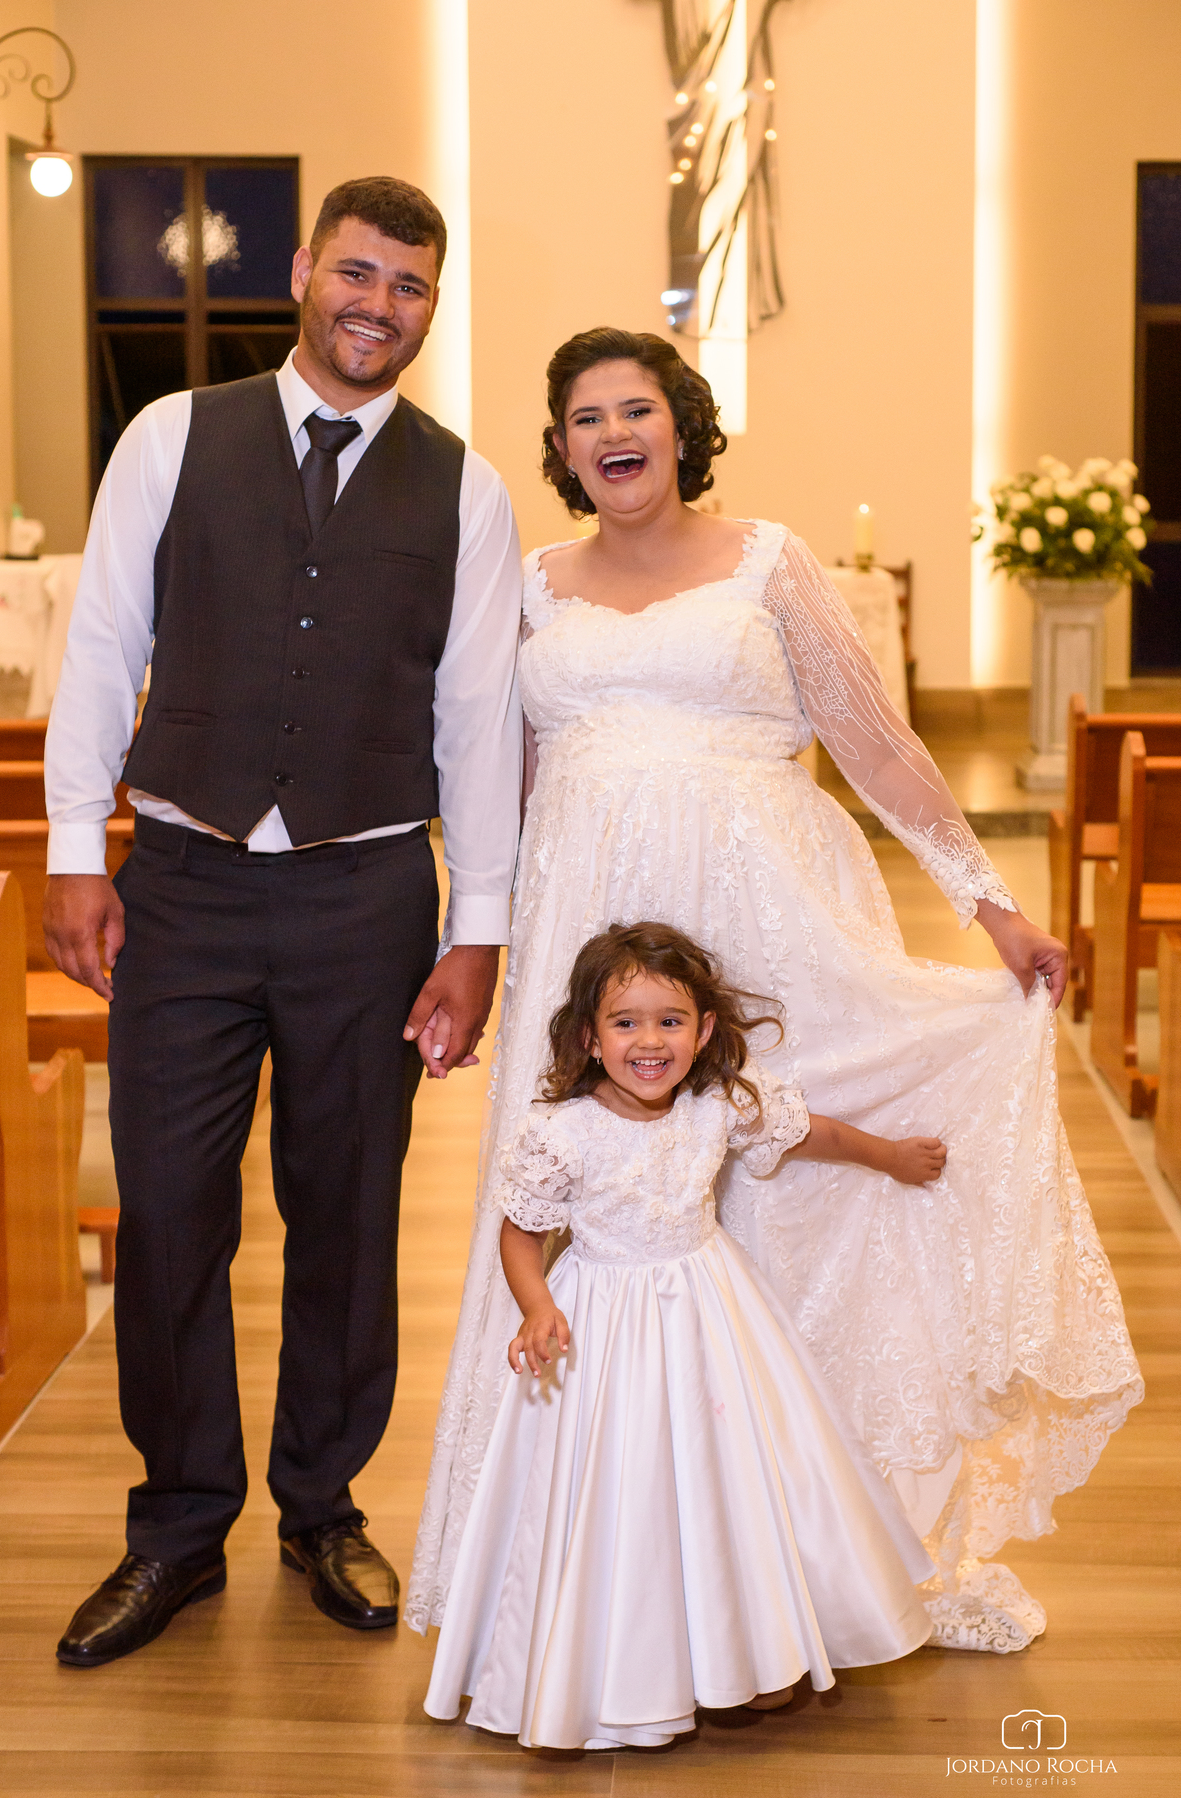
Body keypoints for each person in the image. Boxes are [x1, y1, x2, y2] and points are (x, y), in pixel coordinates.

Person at [407, 327, 1142, 1654]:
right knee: (596, 1204)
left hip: (768, 924)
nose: (614, 432)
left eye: (637, 407)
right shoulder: (530, 584)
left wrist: (993, 906)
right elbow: (498, 788)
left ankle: (813, 1552)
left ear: (682, 425)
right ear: (562, 448)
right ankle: (591, 1567)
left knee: (784, 1190)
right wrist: (476, 945)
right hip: (588, 929)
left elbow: (879, 747)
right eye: (586, 416)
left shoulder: (771, 560)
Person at [43, 177, 523, 1667]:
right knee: (169, 1212)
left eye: (410, 286)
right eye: (359, 274)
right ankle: (179, 1524)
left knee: (349, 1214)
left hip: (366, 896)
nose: (380, 306)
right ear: (307, 270)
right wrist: (76, 849)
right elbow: (103, 642)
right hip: (182, 887)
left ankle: (322, 1504)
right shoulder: (171, 436)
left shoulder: (467, 490)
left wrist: (478, 930)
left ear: (431, 305)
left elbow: (477, 719)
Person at [424, 922, 939, 1750]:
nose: (649, 1041)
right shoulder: (562, 1132)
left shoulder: (716, 1108)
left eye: (670, 1021)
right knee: (621, 1486)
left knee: (725, 1482)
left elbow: (812, 1132)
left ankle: (743, 1654)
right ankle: (621, 1666)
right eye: (625, 1022)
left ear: (702, 1033)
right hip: (602, 1324)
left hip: (710, 1314)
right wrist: (537, 1306)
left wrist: (888, 1156)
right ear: (590, 1038)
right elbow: (520, 1234)